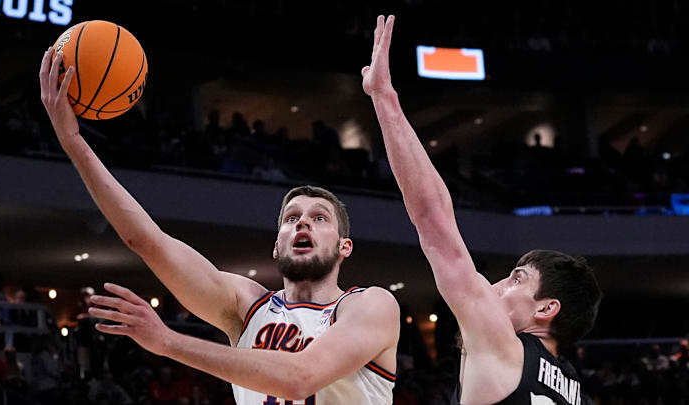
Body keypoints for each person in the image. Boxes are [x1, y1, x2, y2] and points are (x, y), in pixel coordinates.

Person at [39, 47, 399, 404]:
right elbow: (147, 241)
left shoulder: (370, 305)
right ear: (276, 245)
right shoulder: (247, 306)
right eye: (292, 219)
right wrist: (74, 143)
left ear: (343, 246)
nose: (302, 222)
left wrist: (168, 342)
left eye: (319, 218)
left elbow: (300, 378)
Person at [362, 15, 602, 404]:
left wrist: (384, 98)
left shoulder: (504, 348)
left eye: (516, 279)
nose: (497, 286)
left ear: (546, 308)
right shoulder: (579, 396)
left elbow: (433, 218)